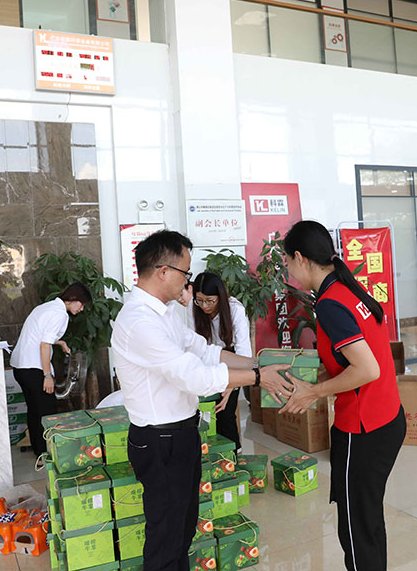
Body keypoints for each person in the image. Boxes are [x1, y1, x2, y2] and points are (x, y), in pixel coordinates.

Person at [111, 230, 292, 571]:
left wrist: (256, 363)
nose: (188, 282)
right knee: (166, 535)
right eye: (185, 272)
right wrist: (257, 378)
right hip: (159, 439)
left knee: (183, 527)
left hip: (181, 433)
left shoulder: (164, 314)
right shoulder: (139, 322)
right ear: (163, 271)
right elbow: (193, 375)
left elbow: (204, 351)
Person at [279, 220, 405, 571]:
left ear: (301, 258)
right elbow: (354, 361)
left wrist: (314, 392)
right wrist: (313, 378)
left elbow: (367, 369)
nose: (289, 270)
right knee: (367, 520)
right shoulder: (347, 288)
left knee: (356, 530)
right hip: (387, 417)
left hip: (363, 429)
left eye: (287, 262)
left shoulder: (330, 304)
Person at [10, 282, 92, 456]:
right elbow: (44, 345)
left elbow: (38, 334)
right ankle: (47, 454)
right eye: (81, 304)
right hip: (34, 368)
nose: (82, 309)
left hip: (20, 367)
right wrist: (47, 375)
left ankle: (40, 454)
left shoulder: (46, 307)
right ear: (72, 298)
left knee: (34, 411)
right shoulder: (59, 314)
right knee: (47, 413)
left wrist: (59, 342)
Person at [181, 272, 251, 451]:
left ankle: (233, 453)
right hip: (205, 358)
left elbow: (244, 353)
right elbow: (194, 345)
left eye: (210, 301)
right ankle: (209, 453)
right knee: (203, 411)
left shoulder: (235, 309)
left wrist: (231, 385)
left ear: (220, 297)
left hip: (232, 360)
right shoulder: (193, 307)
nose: (204, 306)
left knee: (225, 411)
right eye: (200, 300)